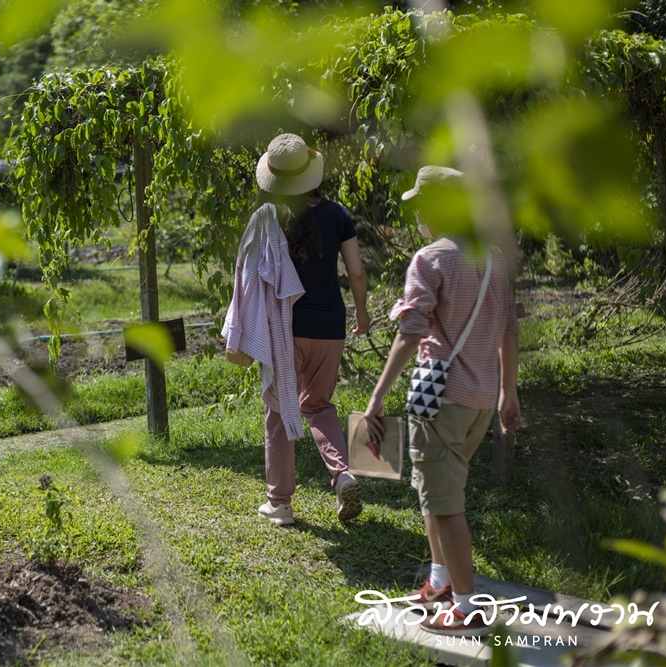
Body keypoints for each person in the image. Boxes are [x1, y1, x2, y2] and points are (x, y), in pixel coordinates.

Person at [362, 165, 521, 636]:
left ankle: (466, 606)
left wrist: (376, 397)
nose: (417, 219)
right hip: (478, 399)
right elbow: (509, 328)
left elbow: (411, 333)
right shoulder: (492, 257)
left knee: (445, 503)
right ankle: (438, 580)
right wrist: (508, 393)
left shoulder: (429, 259)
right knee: (437, 492)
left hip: (440, 397)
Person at [223, 132, 369, 526]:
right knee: (319, 406)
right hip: (330, 327)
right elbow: (355, 270)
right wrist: (362, 312)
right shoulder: (337, 214)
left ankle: (281, 503)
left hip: (284, 329)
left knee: (278, 408)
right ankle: (343, 475)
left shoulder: (270, 220)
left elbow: (251, 277)